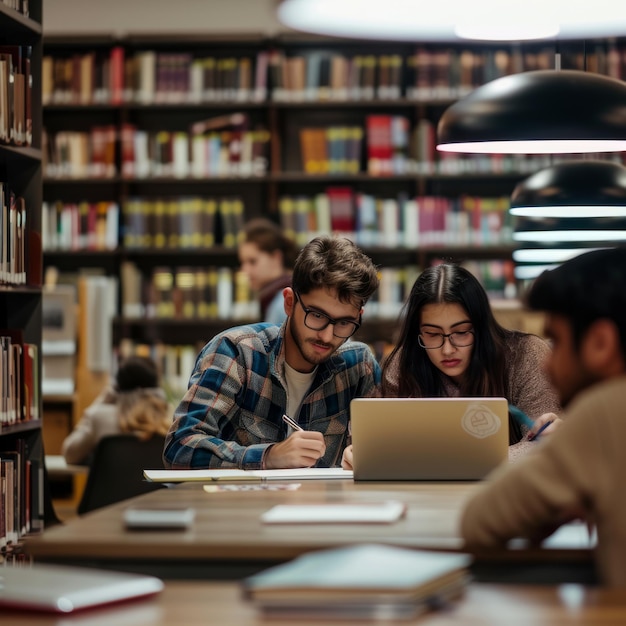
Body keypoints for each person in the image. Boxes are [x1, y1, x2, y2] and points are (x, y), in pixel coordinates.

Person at [460, 247, 626, 586]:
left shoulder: (605, 409)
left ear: (601, 342)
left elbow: (479, 522)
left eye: (558, 340)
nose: (547, 364)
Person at [163, 236, 381, 470]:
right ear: (289, 302)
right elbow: (179, 448)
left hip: (324, 506)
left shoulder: (359, 366)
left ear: (358, 317)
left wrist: (364, 455)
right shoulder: (236, 352)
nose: (327, 337)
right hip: (243, 506)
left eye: (343, 323)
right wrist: (268, 456)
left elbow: (382, 447)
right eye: (317, 315)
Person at [341, 263, 561, 469]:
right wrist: (361, 454)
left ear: (481, 328)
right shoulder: (404, 364)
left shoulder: (525, 355)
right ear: (417, 332)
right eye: (432, 334)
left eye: (461, 332)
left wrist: (450, 464)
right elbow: (382, 447)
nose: (447, 349)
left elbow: (546, 445)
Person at [62, 355, 172, 465]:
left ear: (117, 387)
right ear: (157, 389)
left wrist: (99, 403)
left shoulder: (99, 417)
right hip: (157, 483)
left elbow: (70, 455)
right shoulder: (170, 421)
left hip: (109, 483)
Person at [238, 217, 298, 324]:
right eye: (242, 262)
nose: (245, 270)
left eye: (252, 261)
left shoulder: (282, 304)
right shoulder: (275, 297)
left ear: (276, 257)